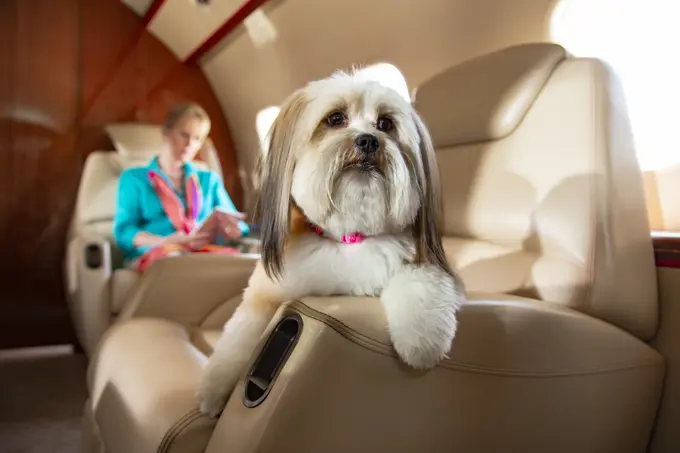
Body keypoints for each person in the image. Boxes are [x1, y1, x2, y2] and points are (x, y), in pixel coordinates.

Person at [113, 101, 249, 271]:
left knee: (239, 264)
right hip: (159, 252)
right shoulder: (134, 179)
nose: (190, 144)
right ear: (166, 133)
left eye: (197, 138)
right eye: (184, 135)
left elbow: (237, 224)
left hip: (202, 252)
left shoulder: (208, 180)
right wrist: (165, 242)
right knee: (177, 261)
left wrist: (233, 230)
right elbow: (124, 232)